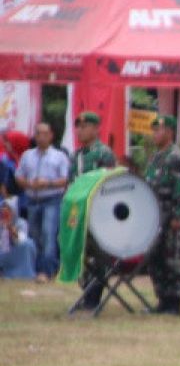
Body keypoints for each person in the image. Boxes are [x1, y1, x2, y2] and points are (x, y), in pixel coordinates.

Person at [68, 112, 117, 307]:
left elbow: (108, 184)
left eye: (85, 126)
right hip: (79, 213)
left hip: (98, 212)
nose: (80, 130)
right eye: (78, 126)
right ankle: (86, 291)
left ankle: (94, 295)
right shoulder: (76, 155)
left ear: (96, 129)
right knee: (82, 253)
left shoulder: (103, 153)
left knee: (98, 255)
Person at [142, 116, 180, 315]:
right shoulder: (156, 157)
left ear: (170, 132)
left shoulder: (175, 157)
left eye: (159, 130)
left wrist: (178, 215)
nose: (155, 134)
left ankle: (173, 302)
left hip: (170, 215)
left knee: (172, 258)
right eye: (154, 130)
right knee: (156, 259)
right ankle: (162, 298)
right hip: (155, 215)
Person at [14, 122, 69, 281]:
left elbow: (65, 180)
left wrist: (48, 183)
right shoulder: (27, 155)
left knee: (48, 233)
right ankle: (35, 269)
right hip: (32, 199)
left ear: (51, 135)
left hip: (52, 199)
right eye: (38, 133)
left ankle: (47, 270)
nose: (41, 137)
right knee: (34, 235)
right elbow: (19, 176)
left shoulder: (59, 156)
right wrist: (29, 183)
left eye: (44, 133)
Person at [0, 197, 36, 279]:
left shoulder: (21, 222)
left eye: (8, 210)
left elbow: (22, 240)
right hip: (3, 252)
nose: (5, 212)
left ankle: (25, 273)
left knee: (29, 244)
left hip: (16, 250)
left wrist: (10, 229)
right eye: (3, 210)